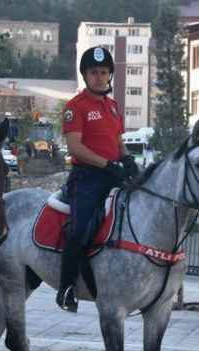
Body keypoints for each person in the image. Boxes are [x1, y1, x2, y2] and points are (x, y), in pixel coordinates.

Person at [55, 46, 138, 313]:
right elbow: (75, 148)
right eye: (94, 73)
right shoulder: (75, 107)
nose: (99, 77)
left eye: (104, 72)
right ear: (85, 75)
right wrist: (107, 164)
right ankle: (67, 287)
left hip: (114, 173)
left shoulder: (112, 106)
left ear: (110, 75)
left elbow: (117, 141)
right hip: (88, 178)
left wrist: (128, 160)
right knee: (79, 230)